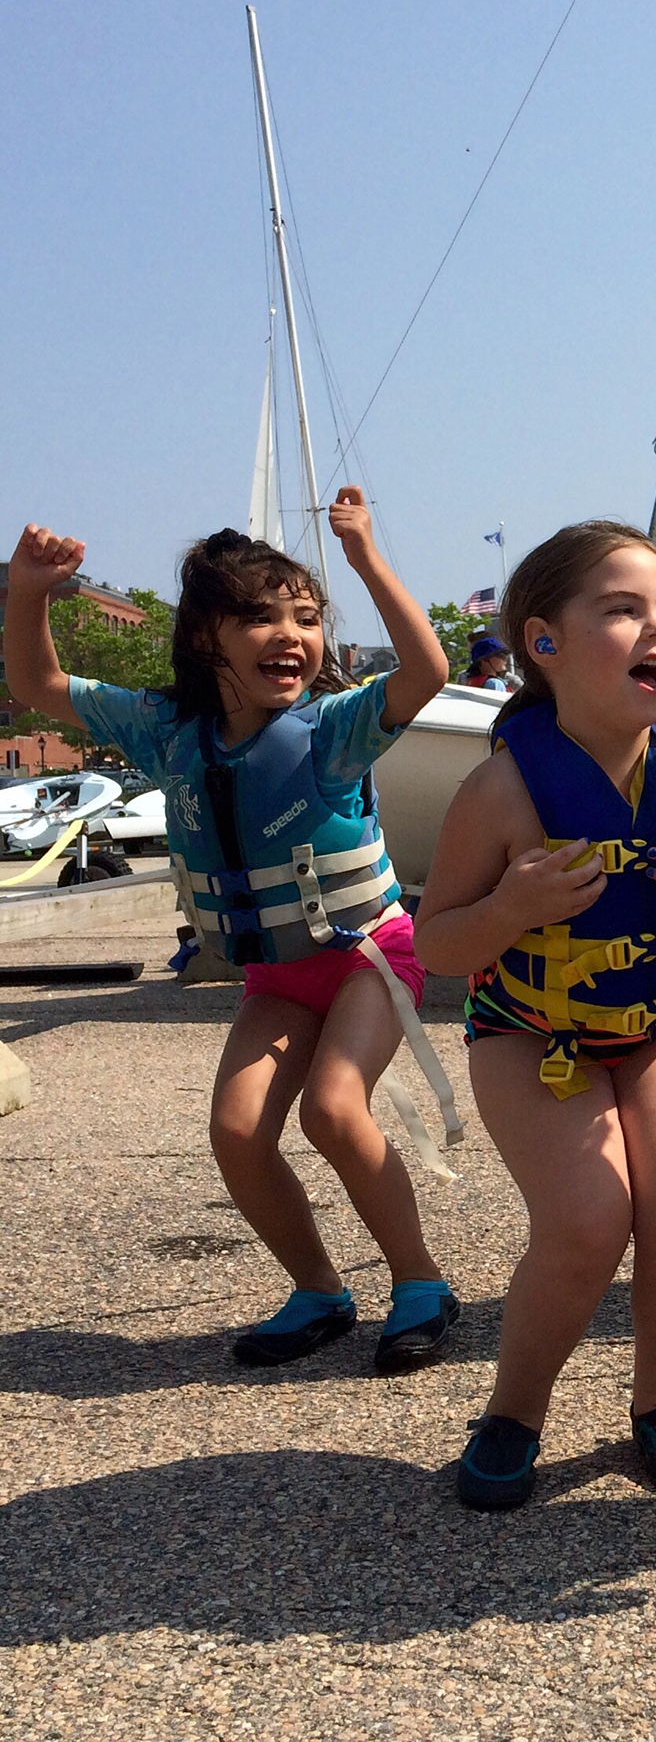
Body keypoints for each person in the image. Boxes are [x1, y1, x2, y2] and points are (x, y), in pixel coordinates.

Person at [5, 494, 461, 1371]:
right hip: (278, 977)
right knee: (240, 1131)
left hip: (368, 954)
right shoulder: (166, 732)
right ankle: (321, 1290)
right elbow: (39, 687)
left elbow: (428, 669)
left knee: (334, 1109)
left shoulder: (332, 731)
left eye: (307, 617)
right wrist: (28, 593)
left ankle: (421, 1283)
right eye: (259, 616)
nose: (291, 633)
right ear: (205, 638)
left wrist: (364, 557)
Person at [414, 521, 656, 1508]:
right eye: (622, 609)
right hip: (531, 1033)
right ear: (544, 642)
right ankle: (514, 1412)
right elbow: (437, 942)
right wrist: (507, 911)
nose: (655, 626)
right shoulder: (499, 792)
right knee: (586, 1220)